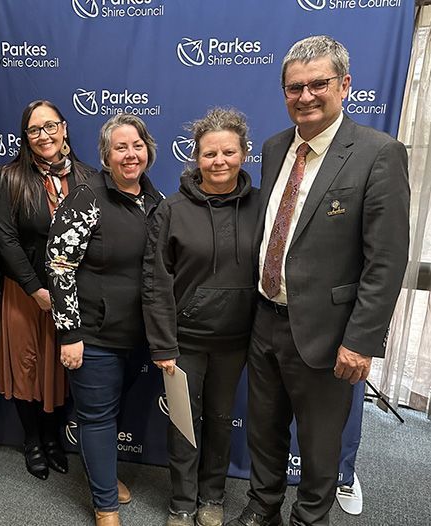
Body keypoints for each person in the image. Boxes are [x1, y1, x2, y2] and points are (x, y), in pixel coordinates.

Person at [227, 35, 409, 526]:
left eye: (318, 84)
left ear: (344, 85)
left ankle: (309, 518)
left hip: (329, 334)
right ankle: (262, 507)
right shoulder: (274, 147)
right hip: (265, 320)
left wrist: (362, 340)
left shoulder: (379, 153)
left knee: (320, 442)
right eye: (294, 87)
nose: (305, 96)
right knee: (263, 430)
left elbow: (386, 259)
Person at [143, 108, 259, 526]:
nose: (219, 161)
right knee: (183, 425)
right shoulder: (172, 210)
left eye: (229, 152)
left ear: (244, 153)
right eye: (210, 153)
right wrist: (162, 343)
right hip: (184, 342)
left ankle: (212, 496)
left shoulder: (262, 205)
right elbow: (155, 280)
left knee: (222, 421)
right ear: (196, 158)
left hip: (236, 341)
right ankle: (182, 501)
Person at [46, 114, 163, 526]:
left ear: (148, 151)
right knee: (96, 418)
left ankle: (105, 477)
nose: (130, 154)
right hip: (92, 336)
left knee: (112, 414)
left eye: (137, 146)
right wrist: (69, 333)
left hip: (138, 336)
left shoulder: (156, 200)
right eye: (120, 147)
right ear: (106, 156)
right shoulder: (87, 197)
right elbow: (59, 266)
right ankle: (105, 505)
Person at [0, 100, 96, 480]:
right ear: (26, 137)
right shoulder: (9, 178)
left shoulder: (88, 178)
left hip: (73, 296)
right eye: (34, 129)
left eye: (50, 126)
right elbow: (5, 240)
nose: (44, 135)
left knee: (60, 367)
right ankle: (32, 440)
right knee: (27, 367)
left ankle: (53, 439)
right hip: (25, 292)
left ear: (64, 128)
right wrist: (35, 288)